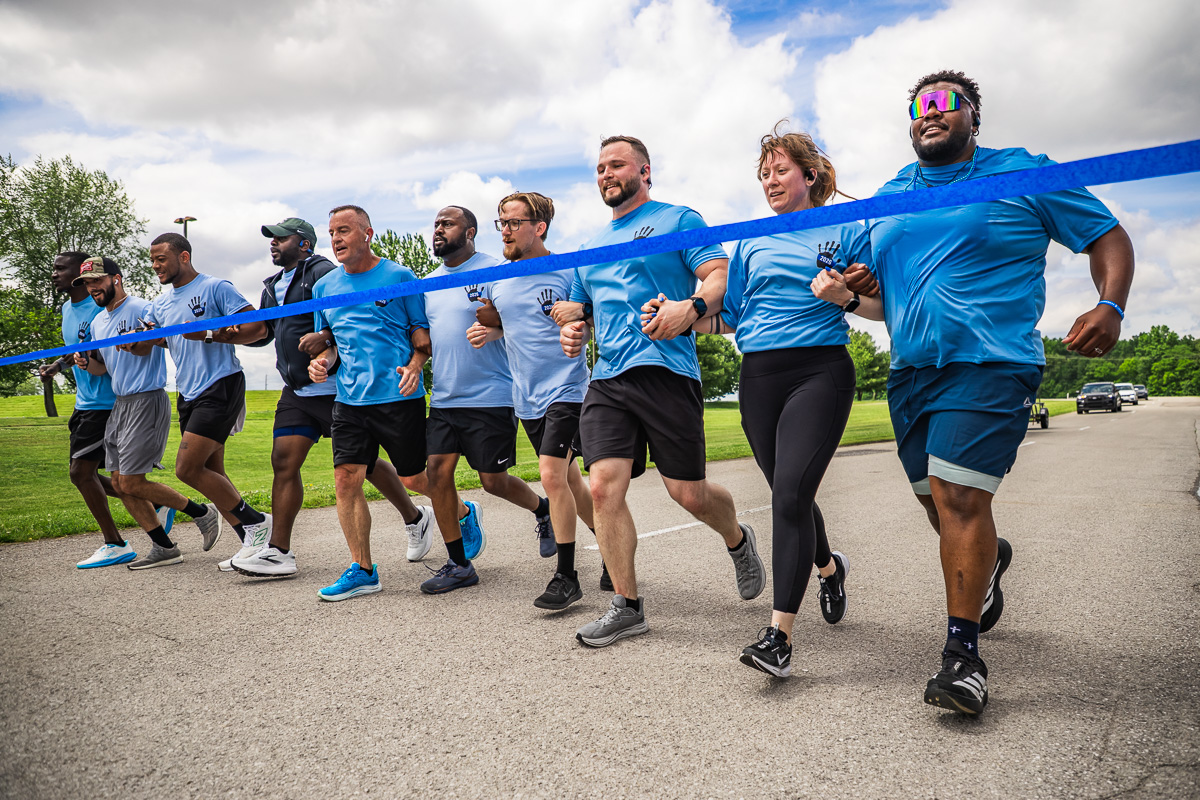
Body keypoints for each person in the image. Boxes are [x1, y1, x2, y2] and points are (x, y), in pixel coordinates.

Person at [838, 70, 1134, 715]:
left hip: (992, 363)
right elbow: (858, 283)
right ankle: (991, 557)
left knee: (961, 496)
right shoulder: (890, 195)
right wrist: (853, 281)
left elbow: (1108, 235)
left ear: (974, 116)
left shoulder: (1021, 173)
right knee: (938, 508)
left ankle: (962, 658)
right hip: (912, 371)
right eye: (919, 105)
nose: (930, 112)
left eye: (947, 103)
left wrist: (1110, 304)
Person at [553, 135, 765, 647]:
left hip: (667, 371)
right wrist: (572, 329)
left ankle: (738, 540)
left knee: (687, 493)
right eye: (600, 167)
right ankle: (626, 604)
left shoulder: (679, 220)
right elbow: (581, 312)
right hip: (607, 379)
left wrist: (689, 308)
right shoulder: (589, 247)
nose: (606, 173)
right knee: (602, 487)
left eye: (617, 164)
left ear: (645, 171)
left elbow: (718, 277)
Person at [670, 126, 864, 677]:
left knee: (787, 497)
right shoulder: (751, 240)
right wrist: (681, 317)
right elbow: (728, 315)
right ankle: (829, 569)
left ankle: (778, 637)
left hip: (819, 370)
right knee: (790, 493)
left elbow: (874, 296)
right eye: (764, 174)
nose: (770, 181)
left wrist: (846, 295)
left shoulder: (846, 229)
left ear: (810, 176)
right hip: (759, 376)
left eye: (780, 170)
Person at [211, 217, 432, 577]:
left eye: (282, 238)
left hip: (344, 392)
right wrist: (220, 336)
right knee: (298, 464)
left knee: (381, 469)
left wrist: (328, 347)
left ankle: (418, 516)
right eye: (272, 239)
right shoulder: (278, 286)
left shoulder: (325, 272)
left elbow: (345, 328)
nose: (273, 244)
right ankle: (282, 551)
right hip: (303, 389)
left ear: (303, 244)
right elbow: (267, 332)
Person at [466, 191, 597, 610]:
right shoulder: (498, 280)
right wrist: (493, 332)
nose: (504, 231)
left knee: (552, 476)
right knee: (571, 481)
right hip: (526, 396)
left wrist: (580, 330)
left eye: (513, 223)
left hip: (568, 388)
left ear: (538, 227)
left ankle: (567, 577)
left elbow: (590, 318)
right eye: (500, 222)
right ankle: (612, 549)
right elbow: (515, 326)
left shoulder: (566, 270)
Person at [418, 205, 553, 595]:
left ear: (471, 231)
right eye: (436, 224)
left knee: (492, 481)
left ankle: (542, 510)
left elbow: (519, 318)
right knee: (437, 474)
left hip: (492, 395)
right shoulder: (427, 283)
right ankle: (459, 564)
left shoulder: (496, 269)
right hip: (445, 395)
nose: (439, 230)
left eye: (448, 224)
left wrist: (493, 323)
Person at [305, 205, 432, 601]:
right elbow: (331, 346)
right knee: (346, 478)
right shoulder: (323, 287)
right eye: (332, 232)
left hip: (398, 395)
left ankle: (460, 512)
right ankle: (363, 569)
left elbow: (421, 338)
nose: (336, 239)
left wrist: (415, 366)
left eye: (344, 230)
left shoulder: (399, 276)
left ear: (367, 233)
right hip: (349, 400)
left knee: (413, 478)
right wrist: (321, 364)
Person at [73, 256, 223, 568]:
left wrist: (142, 344)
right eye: (87, 283)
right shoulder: (99, 322)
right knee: (118, 482)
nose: (92, 288)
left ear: (116, 278)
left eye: (96, 281)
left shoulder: (142, 308)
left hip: (147, 398)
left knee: (131, 481)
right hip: (120, 403)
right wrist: (88, 364)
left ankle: (203, 513)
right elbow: (104, 369)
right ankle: (164, 547)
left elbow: (164, 341)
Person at [144, 232, 271, 571]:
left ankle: (257, 523)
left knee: (186, 468)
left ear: (183, 257)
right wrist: (140, 339)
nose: (155, 265)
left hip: (221, 384)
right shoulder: (161, 304)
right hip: (188, 392)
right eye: (152, 259)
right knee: (213, 473)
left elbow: (258, 328)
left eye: (161, 259)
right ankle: (253, 545)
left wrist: (212, 334)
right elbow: (170, 341)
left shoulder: (216, 288)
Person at [41, 252, 127, 567]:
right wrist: (57, 366)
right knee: (86, 475)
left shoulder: (101, 307)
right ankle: (153, 501)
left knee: (80, 472)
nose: (54, 274)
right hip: (84, 401)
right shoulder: (68, 308)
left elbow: (104, 355)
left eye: (60, 269)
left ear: (82, 273)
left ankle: (115, 543)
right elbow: (73, 349)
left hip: (105, 401)